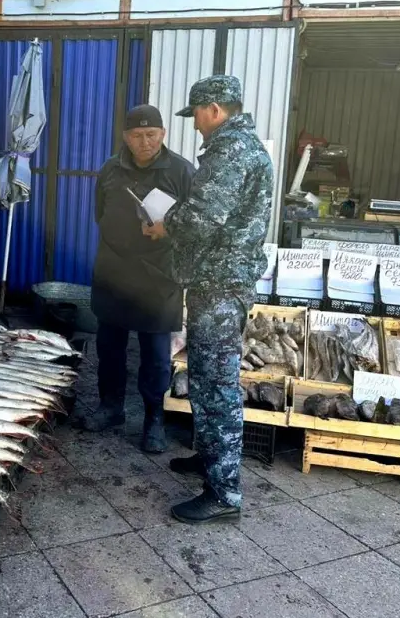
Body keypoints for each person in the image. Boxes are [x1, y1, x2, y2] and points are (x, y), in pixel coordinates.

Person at [142, 76, 273, 522]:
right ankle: (209, 458)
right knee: (204, 374)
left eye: (197, 115)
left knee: (217, 387)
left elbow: (203, 217)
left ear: (215, 110)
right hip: (217, 281)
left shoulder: (230, 151)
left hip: (220, 284)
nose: (195, 125)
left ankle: (223, 494)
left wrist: (164, 224)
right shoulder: (244, 148)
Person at [85, 105, 194, 453]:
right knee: (109, 347)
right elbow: (100, 213)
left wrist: (167, 235)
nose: (144, 142)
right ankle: (110, 408)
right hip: (114, 270)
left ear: (163, 134)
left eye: (151, 134)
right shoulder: (110, 169)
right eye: (136, 135)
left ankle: (153, 419)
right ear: (125, 137)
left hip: (159, 275)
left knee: (156, 355)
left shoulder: (182, 171)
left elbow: (193, 225)